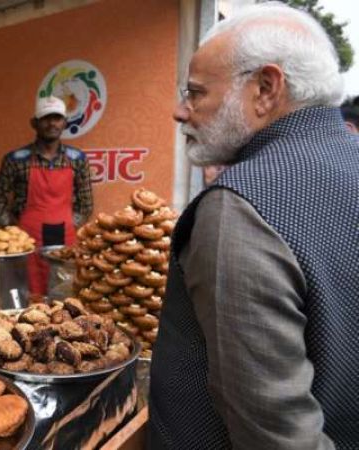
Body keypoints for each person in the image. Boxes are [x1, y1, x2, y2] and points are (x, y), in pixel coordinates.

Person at [150, 3, 358, 449]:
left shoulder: (241, 206)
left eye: (196, 93)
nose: (180, 111)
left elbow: (277, 435)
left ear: (266, 88)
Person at [0, 96, 93, 296]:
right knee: (28, 295)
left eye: (57, 118)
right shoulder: (16, 160)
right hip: (27, 241)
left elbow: (86, 205)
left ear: (64, 123)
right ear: (34, 123)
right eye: (46, 118)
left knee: (63, 293)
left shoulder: (77, 159)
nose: (52, 123)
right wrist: (14, 232)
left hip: (65, 240)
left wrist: (70, 223)